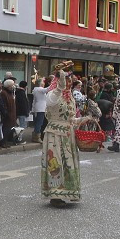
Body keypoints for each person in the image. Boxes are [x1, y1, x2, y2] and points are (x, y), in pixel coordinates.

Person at [41, 64, 82, 208]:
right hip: (54, 134)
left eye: (70, 80)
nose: (69, 83)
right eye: (66, 80)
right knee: (56, 163)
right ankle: (55, 195)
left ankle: (68, 192)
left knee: (68, 163)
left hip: (67, 135)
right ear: (58, 81)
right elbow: (51, 102)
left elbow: (71, 119)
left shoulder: (70, 97)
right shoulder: (52, 94)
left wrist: (84, 119)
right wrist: (59, 87)